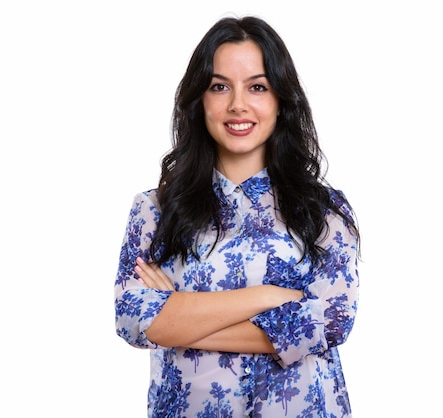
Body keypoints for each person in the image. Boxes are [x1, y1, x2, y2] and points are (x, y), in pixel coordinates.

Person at [114, 15, 361, 417]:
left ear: (281, 100)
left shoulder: (324, 209)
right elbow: (134, 320)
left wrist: (179, 314)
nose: (237, 104)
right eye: (219, 86)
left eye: (258, 87)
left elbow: (330, 321)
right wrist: (266, 298)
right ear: (200, 101)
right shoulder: (154, 210)